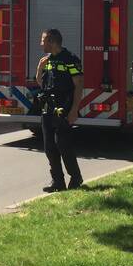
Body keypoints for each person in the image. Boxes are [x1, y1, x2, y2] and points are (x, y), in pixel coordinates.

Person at [35, 28, 84, 192]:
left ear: (51, 41)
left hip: (64, 107)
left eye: (43, 40)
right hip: (47, 108)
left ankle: (76, 178)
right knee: (49, 146)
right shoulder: (46, 60)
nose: (41, 44)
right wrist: (39, 69)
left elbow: (78, 85)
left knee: (63, 144)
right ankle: (57, 182)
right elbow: (40, 83)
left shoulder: (70, 59)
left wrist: (74, 109)